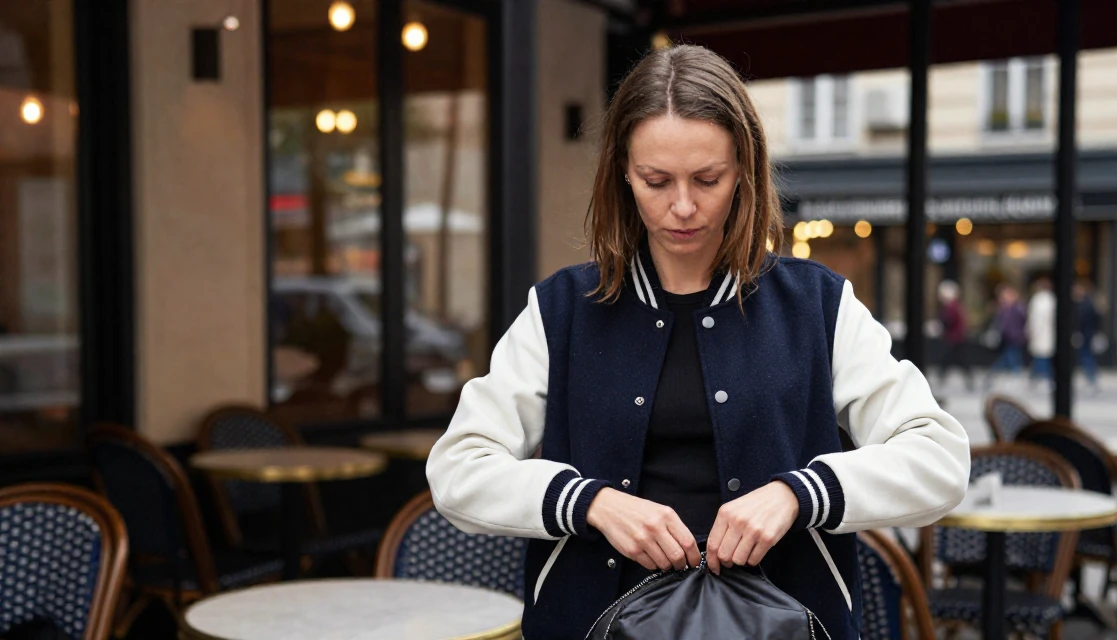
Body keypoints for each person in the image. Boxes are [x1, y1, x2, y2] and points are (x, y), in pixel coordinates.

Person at [425, 45, 969, 640]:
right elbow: (458, 468)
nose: (682, 207)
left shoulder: (816, 304)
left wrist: (801, 493)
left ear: (744, 170)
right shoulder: (561, 310)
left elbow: (939, 458)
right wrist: (590, 503)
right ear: (623, 174)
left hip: (784, 624)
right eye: (656, 181)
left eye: (707, 179)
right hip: (590, 624)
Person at [986, 284, 1027, 383]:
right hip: (1007, 337)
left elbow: (1022, 321)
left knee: (1011, 357)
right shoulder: (1004, 309)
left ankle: (1013, 374)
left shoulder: (1018, 308)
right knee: (1009, 357)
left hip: (1015, 337)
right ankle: (996, 373)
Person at [937, 280, 974, 390]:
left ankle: (942, 375)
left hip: (954, 337)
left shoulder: (952, 306)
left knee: (954, 359)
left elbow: (950, 320)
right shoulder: (956, 306)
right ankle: (943, 375)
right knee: (955, 359)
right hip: (956, 337)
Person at [1027, 278, 1056, 390]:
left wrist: (1031, 331)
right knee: (1044, 358)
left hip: (1042, 333)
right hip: (1046, 334)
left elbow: (1034, 319)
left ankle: (1038, 379)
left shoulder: (1038, 300)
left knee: (1041, 358)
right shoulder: (1052, 299)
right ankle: (1039, 379)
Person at [1074, 281, 1101, 394]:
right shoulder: (1085, 304)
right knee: (1086, 357)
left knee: (1086, 358)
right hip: (1085, 335)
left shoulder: (1085, 305)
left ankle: (1091, 380)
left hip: (1085, 335)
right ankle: (1091, 380)